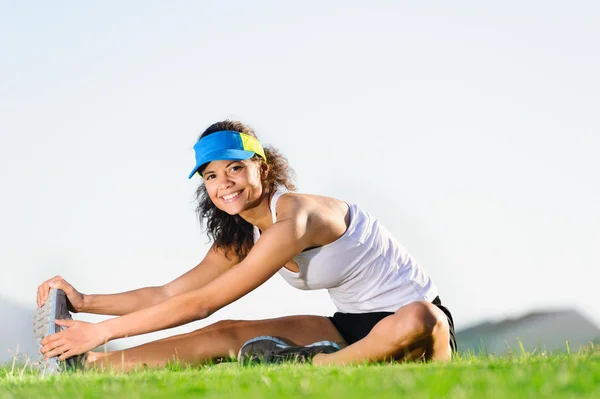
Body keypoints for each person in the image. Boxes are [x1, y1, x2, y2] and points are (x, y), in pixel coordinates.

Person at [37, 120, 457, 371]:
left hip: (416, 328)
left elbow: (203, 302)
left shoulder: (295, 218)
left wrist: (103, 331)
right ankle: (92, 369)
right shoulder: (244, 235)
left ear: (263, 166)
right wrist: (85, 301)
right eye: (211, 176)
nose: (225, 184)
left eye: (235, 167)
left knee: (422, 315)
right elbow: (169, 294)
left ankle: (316, 365)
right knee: (225, 334)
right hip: (350, 327)